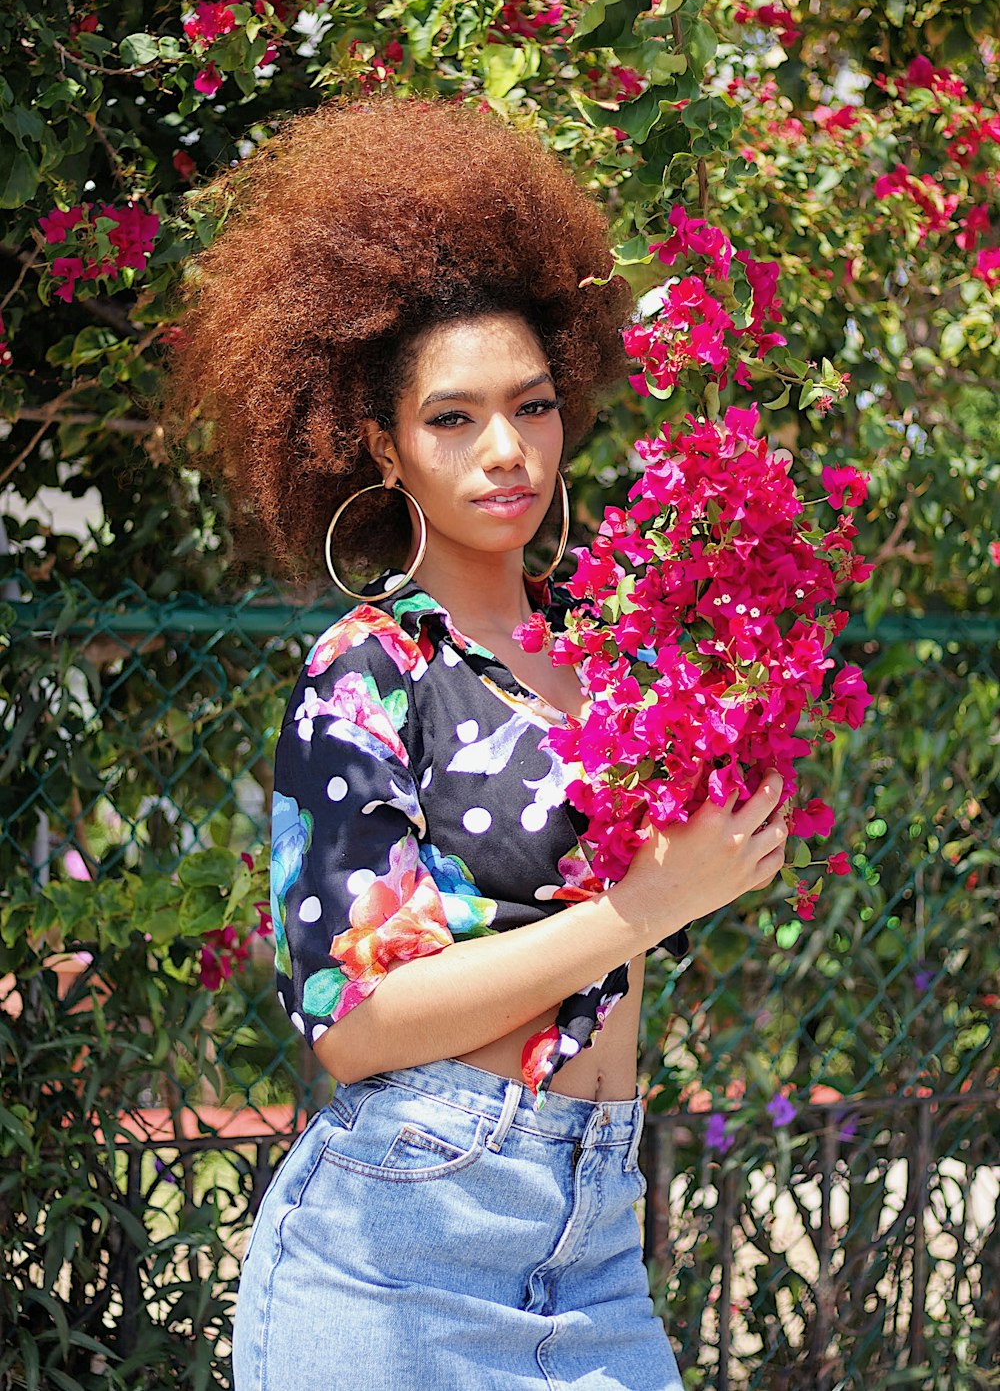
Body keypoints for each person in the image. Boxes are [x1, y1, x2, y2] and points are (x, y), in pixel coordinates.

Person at [159, 93, 788, 1391]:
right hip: (403, 1254)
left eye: (535, 406)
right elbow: (355, 1020)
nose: (508, 451)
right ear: (382, 445)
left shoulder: (617, 650)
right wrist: (651, 903)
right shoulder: (370, 674)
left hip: (597, 1239)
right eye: (453, 418)